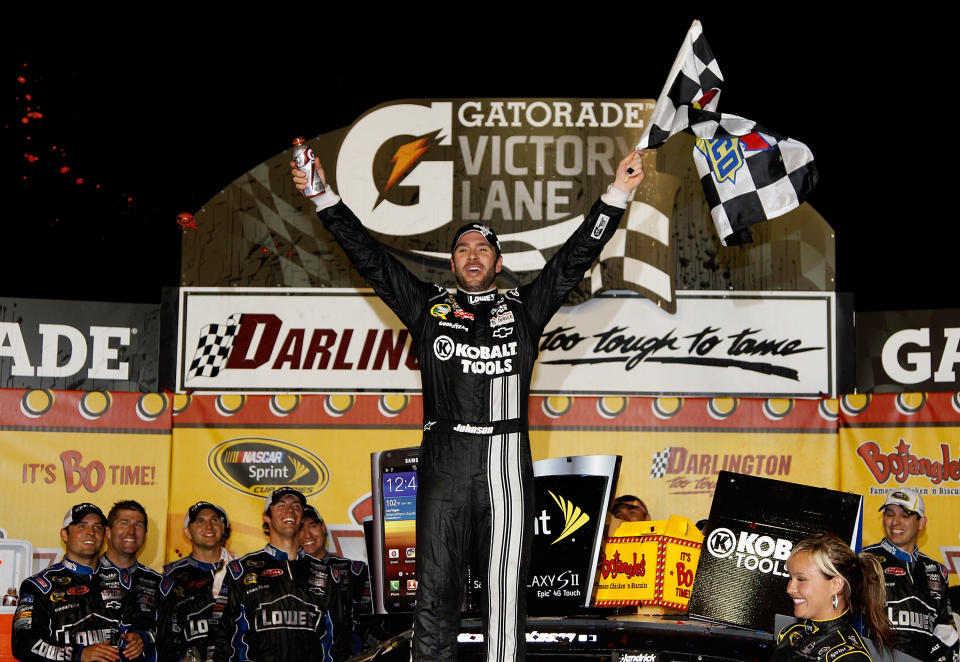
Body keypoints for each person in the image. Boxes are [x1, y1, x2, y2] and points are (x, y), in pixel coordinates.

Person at [291, 149, 646, 661]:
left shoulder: (525, 307)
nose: (473, 255)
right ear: (453, 262)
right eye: (463, 249)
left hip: (506, 457)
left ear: (498, 264)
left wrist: (617, 195)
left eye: (483, 248)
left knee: (505, 596)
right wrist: (323, 196)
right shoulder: (427, 307)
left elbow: (574, 260)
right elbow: (370, 257)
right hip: (446, 456)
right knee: (435, 591)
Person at [208, 488, 338, 662]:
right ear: (266, 517)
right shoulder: (240, 570)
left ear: (301, 516)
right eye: (280, 506)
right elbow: (220, 634)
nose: (289, 511)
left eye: (296, 506)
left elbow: (338, 641)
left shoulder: (326, 572)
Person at [13, 503, 146, 662]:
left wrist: (140, 638)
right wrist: (78, 654)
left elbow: (143, 625)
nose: (91, 532)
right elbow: (23, 644)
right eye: (81, 526)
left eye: (97, 527)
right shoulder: (38, 586)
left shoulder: (123, 581)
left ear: (105, 535)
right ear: (64, 535)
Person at [862, 488, 959, 662]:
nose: (895, 522)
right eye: (889, 514)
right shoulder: (865, 561)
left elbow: (945, 628)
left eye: (905, 516)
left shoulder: (937, 570)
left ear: (921, 523)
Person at [772, 533, 893, 661]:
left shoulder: (849, 656)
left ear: (836, 584)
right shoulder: (792, 634)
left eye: (801, 579)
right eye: (790, 578)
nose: (789, 589)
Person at [156, 502, 233, 662]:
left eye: (215, 520)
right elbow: (163, 636)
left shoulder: (241, 570)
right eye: (200, 521)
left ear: (223, 528)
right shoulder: (171, 577)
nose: (209, 526)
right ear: (187, 532)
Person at [300, 505, 371, 660]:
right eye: (300, 528)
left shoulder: (355, 570)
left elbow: (372, 622)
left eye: (313, 526)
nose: (307, 534)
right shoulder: (288, 575)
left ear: (323, 527)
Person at [98, 500, 161, 661]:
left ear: (145, 535)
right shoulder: (87, 576)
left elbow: (171, 632)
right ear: (108, 532)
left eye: (138, 525)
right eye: (124, 523)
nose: (131, 531)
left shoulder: (158, 582)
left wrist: (144, 638)